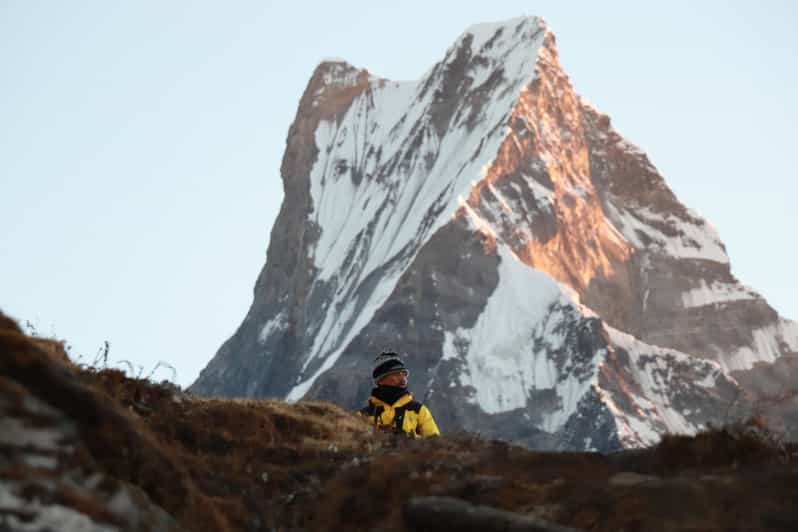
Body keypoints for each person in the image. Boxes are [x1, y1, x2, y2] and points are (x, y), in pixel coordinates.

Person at [359, 352, 440, 438]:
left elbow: (436, 444)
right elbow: (352, 443)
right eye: (396, 374)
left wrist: (409, 438)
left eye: (404, 374)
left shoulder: (419, 411)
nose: (403, 379)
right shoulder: (362, 416)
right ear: (381, 379)